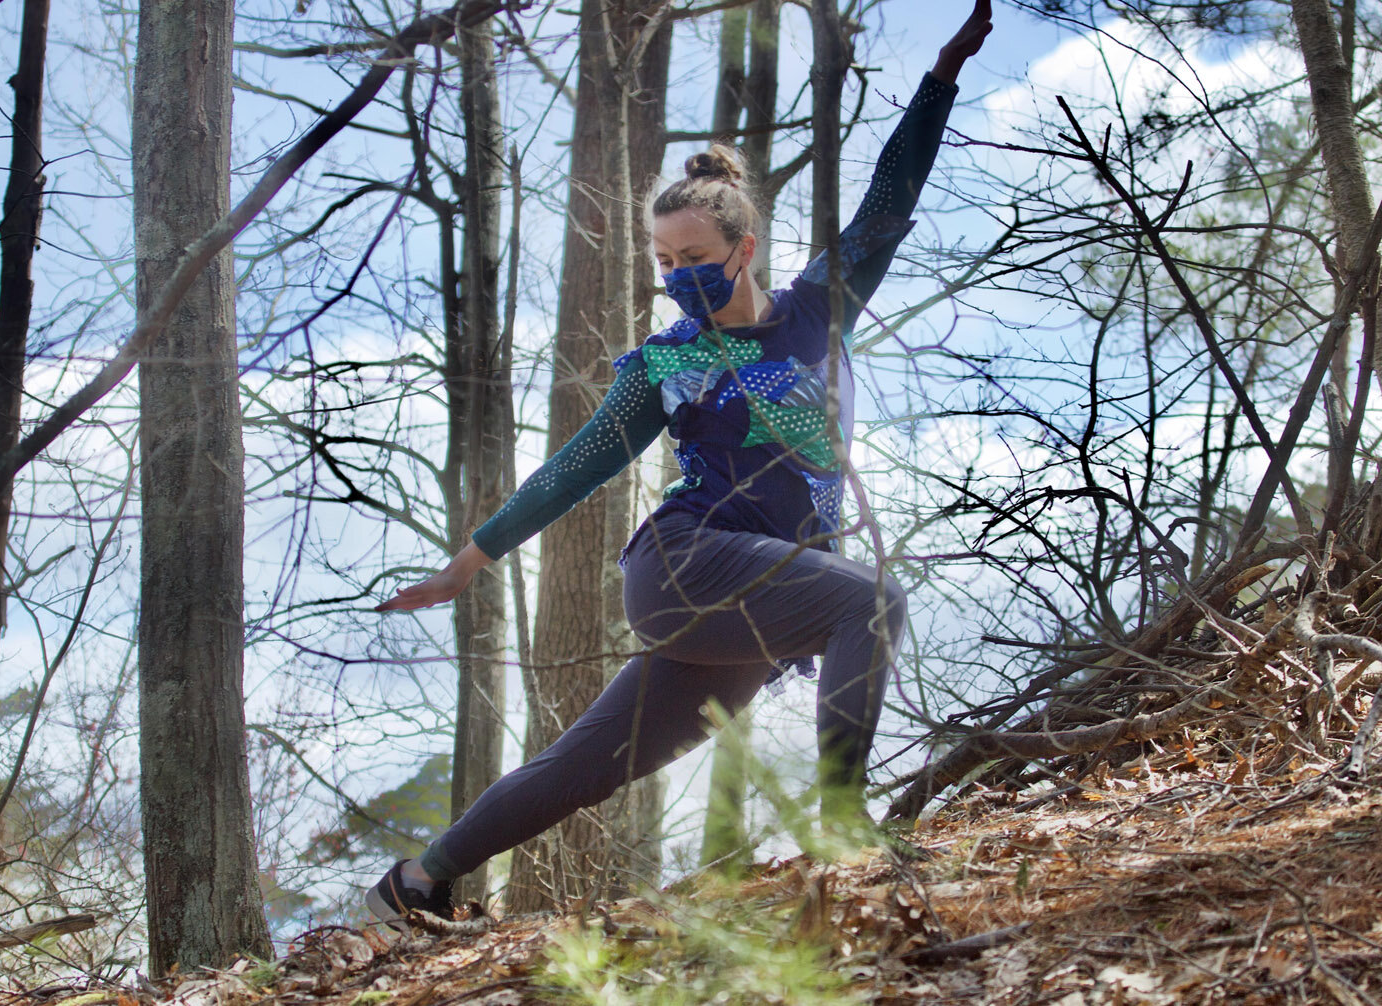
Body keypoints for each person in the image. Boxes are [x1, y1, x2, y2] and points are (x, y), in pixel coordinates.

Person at [366, 1, 993, 930]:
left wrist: (940, 79)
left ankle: (417, 882)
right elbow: (574, 468)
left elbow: (885, 207)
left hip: (754, 597)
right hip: (684, 564)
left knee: (589, 762)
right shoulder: (666, 361)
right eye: (663, 262)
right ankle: (844, 827)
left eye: (692, 257)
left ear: (743, 248)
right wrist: (474, 556)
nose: (676, 277)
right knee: (870, 600)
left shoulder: (818, 311)